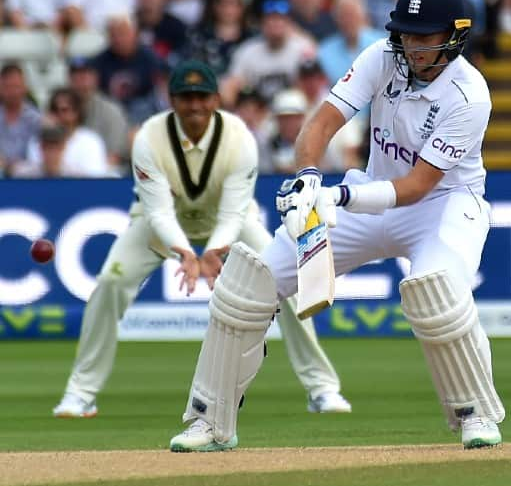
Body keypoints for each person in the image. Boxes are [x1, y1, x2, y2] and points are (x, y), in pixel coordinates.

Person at [169, 0, 504, 452]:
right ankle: (208, 422)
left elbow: (417, 186)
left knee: (437, 296)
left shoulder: (470, 96)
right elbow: (322, 121)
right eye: (406, 34)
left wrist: (339, 199)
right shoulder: (382, 57)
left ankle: (476, 415)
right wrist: (309, 178)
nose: (411, 46)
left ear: (454, 36)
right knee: (248, 284)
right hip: (370, 195)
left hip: (445, 206)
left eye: (423, 37)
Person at [52, 60, 350, 420]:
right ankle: (80, 393)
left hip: (230, 222)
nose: (194, 106)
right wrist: (185, 253)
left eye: (202, 97)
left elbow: (233, 212)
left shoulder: (239, 137)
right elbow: (159, 212)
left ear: (216, 100)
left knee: (283, 280)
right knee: (111, 282)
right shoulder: (149, 137)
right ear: (172, 100)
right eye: (186, 97)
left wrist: (211, 251)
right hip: (159, 224)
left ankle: (322, 389)